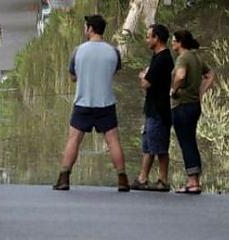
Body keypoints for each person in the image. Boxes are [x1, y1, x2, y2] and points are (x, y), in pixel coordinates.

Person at [53, 15, 130, 192]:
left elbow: (72, 76)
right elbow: (115, 70)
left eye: (85, 26)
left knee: (74, 140)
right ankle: (122, 179)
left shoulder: (78, 50)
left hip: (83, 103)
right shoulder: (113, 51)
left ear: (90, 29)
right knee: (113, 141)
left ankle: (64, 177)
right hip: (106, 103)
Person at [170, 30, 215, 194]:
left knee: (186, 142)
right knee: (190, 140)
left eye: (174, 41)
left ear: (180, 42)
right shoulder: (196, 57)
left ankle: (193, 182)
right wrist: (201, 92)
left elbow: (180, 76)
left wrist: (173, 90)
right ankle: (194, 180)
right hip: (194, 105)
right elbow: (210, 75)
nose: (172, 43)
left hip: (182, 105)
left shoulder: (183, 58)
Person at [132, 24, 175, 192]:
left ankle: (163, 180)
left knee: (160, 146)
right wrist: (146, 75)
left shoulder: (163, 59)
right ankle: (142, 178)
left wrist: (144, 75)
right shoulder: (157, 57)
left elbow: (146, 83)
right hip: (152, 108)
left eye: (149, 36)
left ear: (157, 39)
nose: (146, 40)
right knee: (148, 145)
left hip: (159, 110)